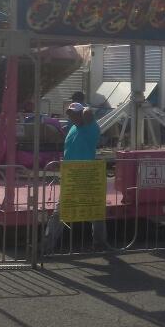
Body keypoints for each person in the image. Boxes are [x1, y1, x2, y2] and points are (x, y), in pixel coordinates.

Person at [44, 102, 107, 252]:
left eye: (74, 113)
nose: (71, 116)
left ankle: (46, 246)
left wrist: (85, 108)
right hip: (72, 175)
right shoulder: (73, 128)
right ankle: (47, 245)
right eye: (69, 113)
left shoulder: (91, 127)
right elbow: (71, 150)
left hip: (86, 175)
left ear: (81, 114)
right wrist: (61, 163)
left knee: (93, 211)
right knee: (89, 211)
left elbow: (89, 113)